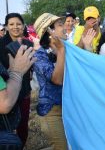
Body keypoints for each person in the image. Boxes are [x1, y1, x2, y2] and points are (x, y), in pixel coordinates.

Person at [33, 13, 67, 150]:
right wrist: (61, 51)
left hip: (67, 109)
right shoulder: (40, 56)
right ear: (49, 31)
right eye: (60, 25)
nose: (64, 27)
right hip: (51, 112)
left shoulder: (64, 48)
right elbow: (57, 80)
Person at [0, 13, 33, 147]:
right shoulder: (1, 44)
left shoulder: (29, 43)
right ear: (6, 27)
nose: (15, 27)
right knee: (8, 129)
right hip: (6, 92)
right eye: (11, 24)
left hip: (24, 91)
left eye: (18, 24)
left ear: (23, 26)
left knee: (23, 126)